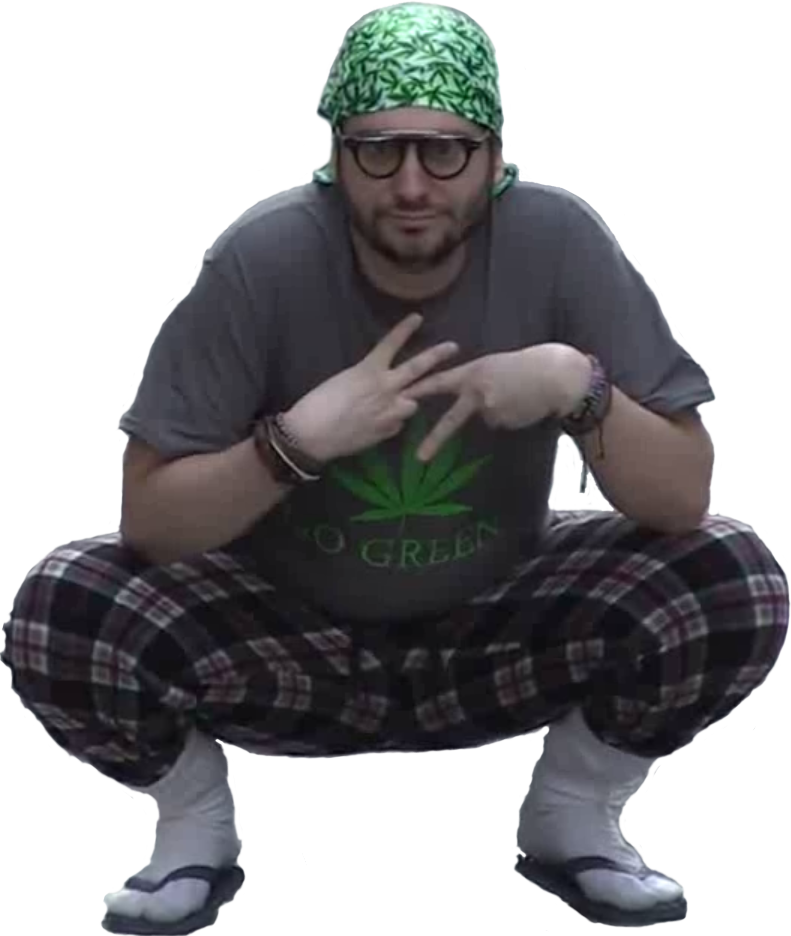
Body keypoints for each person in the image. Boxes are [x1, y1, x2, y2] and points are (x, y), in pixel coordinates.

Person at [3, 3, 788, 933]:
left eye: (444, 150)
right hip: (284, 643)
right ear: (336, 156)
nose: (411, 184)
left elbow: (682, 496)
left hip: (495, 631)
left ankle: (570, 816)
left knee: (732, 579)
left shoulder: (556, 242)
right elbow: (151, 520)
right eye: (378, 150)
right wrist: (292, 444)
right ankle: (193, 831)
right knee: (64, 607)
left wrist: (575, 387)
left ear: (494, 158)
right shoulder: (265, 258)